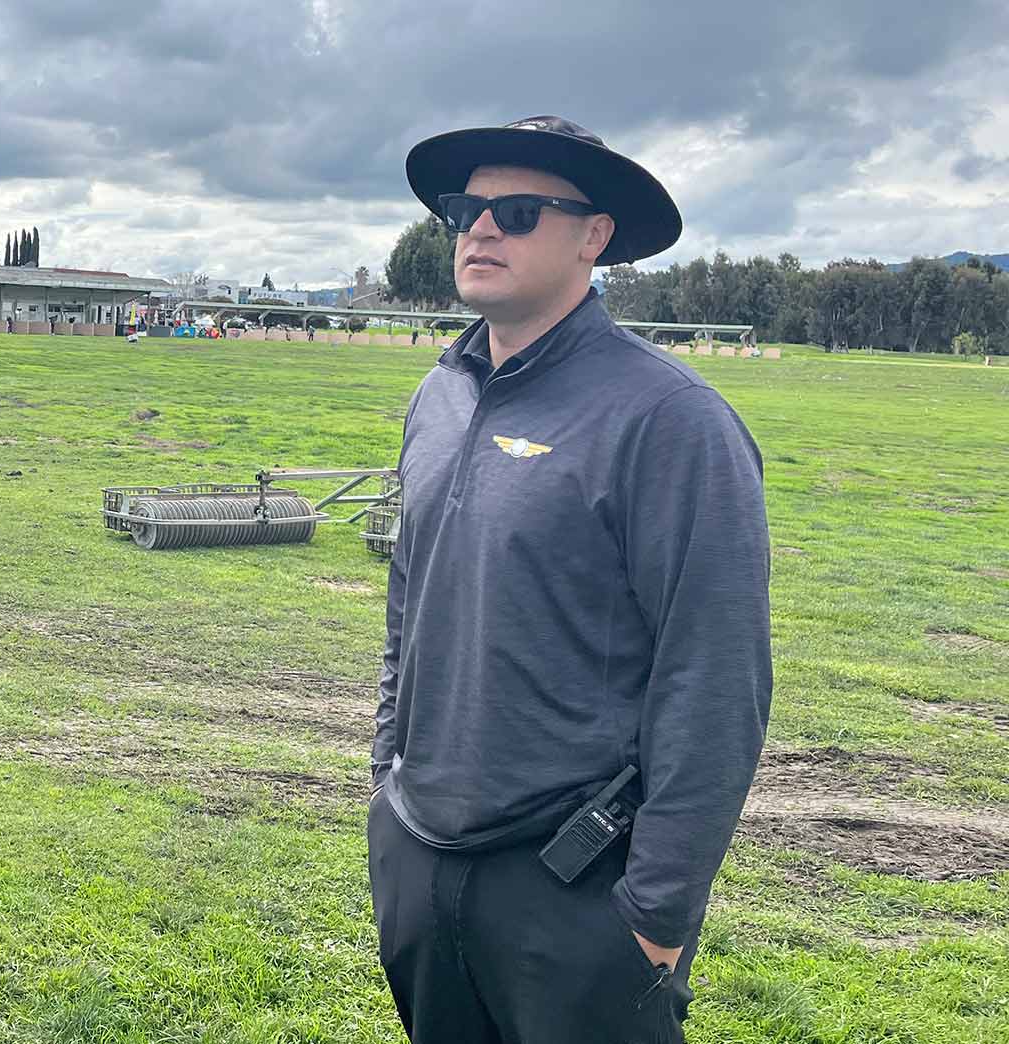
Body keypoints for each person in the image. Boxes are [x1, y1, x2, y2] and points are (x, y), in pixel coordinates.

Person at [368, 115, 771, 1044]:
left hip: (577, 887)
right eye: (464, 210)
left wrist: (653, 917)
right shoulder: (440, 393)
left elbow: (716, 675)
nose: (480, 229)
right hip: (419, 854)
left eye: (517, 211)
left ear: (594, 236)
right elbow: (409, 596)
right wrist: (387, 777)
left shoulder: (671, 419)